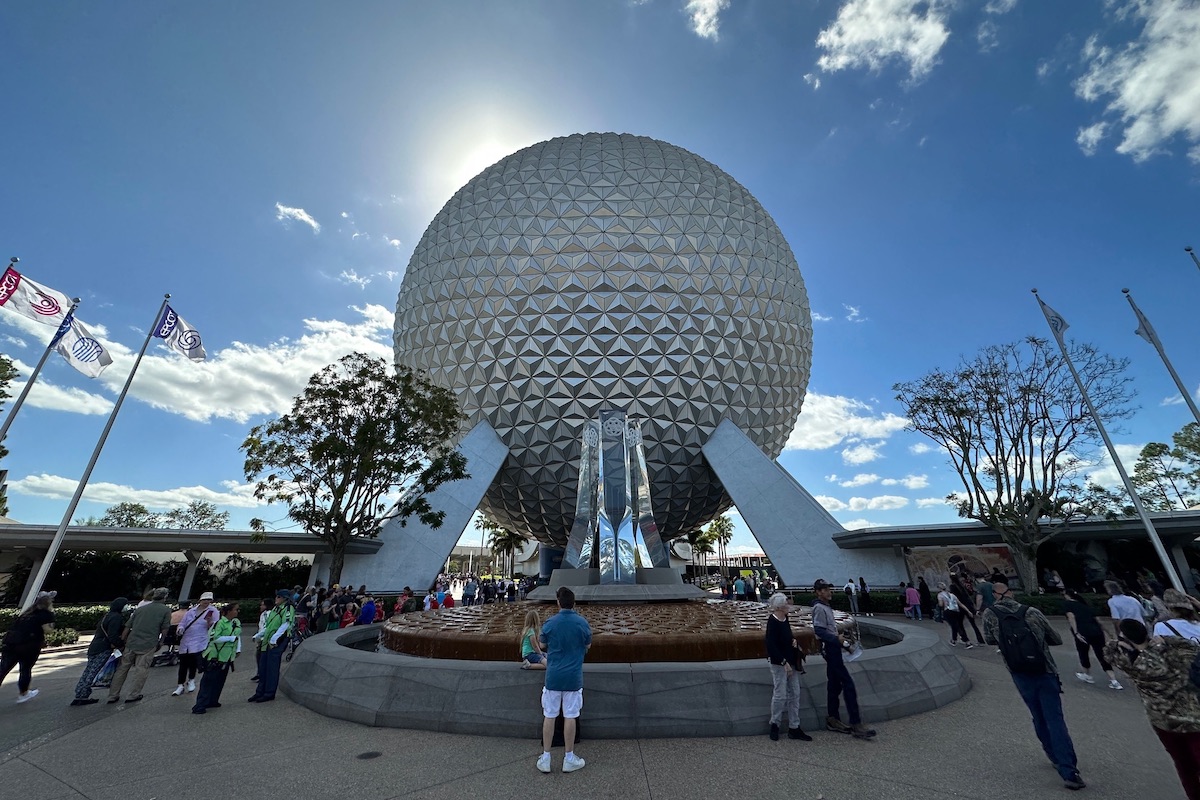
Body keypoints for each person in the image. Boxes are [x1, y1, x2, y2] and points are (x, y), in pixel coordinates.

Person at [982, 573, 1084, 791]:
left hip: (1019, 672)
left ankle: (1052, 753)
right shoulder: (1031, 611)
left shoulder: (990, 614)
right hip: (1045, 669)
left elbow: (990, 639)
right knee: (1055, 718)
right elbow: (1055, 638)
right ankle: (1069, 770)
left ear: (995, 595)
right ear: (1010, 592)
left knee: (1037, 715)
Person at [1106, 617, 1200, 798]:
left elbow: (1108, 652)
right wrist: (1165, 641)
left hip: (1163, 721)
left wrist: (1120, 644)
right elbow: (1192, 646)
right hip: (1192, 716)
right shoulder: (1173, 653)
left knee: (1184, 766)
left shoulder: (1129, 662)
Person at [536, 587, 592, 774]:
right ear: (574, 603)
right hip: (573, 677)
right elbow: (588, 644)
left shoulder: (550, 623)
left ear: (558, 602)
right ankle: (569, 758)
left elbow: (542, 644)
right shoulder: (582, 623)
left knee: (549, 715)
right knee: (570, 715)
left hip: (553, 676)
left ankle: (545, 757)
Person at [811, 579, 875, 739]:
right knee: (848, 684)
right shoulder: (819, 608)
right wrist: (836, 640)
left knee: (834, 685)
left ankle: (832, 719)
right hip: (830, 649)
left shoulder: (825, 606)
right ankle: (856, 723)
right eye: (825, 589)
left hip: (833, 648)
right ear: (818, 592)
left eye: (828, 589)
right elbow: (818, 631)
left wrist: (843, 643)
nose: (829, 592)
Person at [107, 587, 172, 704]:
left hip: (131, 643)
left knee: (122, 668)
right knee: (141, 669)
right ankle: (133, 694)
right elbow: (165, 628)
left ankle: (113, 695)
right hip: (148, 643)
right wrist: (161, 641)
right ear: (165, 597)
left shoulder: (140, 609)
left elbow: (128, 626)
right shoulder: (165, 610)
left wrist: (122, 640)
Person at [764, 593, 811, 741]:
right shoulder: (773, 621)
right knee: (780, 695)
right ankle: (774, 724)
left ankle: (794, 727)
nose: (788, 605)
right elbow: (771, 645)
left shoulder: (786, 619)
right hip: (779, 664)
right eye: (786, 603)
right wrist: (784, 663)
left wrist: (793, 642)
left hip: (791, 662)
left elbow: (787, 636)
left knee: (795, 694)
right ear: (779, 606)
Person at [1, 590, 57, 703]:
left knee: (3, 669)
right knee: (25, 669)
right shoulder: (46, 614)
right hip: (29, 645)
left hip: (10, 643)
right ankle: (23, 694)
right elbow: (48, 630)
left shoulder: (27, 613)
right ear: (48, 603)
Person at [1061, 588, 1122, 690]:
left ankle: (1087, 674)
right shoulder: (1085, 605)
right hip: (1097, 631)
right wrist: (1108, 632)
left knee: (1083, 652)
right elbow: (1098, 620)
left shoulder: (1068, 605)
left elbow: (1071, 617)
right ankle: (1113, 679)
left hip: (1083, 631)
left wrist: (1076, 632)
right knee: (1101, 654)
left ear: (1067, 596)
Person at [72, 596, 128, 706]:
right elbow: (112, 635)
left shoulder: (107, 616)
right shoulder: (116, 618)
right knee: (93, 671)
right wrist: (120, 645)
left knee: (88, 670)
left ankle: (80, 693)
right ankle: (83, 695)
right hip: (103, 647)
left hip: (95, 646)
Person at [192, 602, 241, 714]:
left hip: (227, 656)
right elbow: (214, 637)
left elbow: (237, 636)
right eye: (236, 609)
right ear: (228, 611)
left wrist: (238, 649)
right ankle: (200, 704)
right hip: (215, 656)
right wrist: (230, 638)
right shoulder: (219, 623)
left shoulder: (236, 622)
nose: (237, 612)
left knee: (220, 680)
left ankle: (213, 700)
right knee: (208, 681)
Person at [248, 589, 295, 703]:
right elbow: (268, 625)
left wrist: (275, 638)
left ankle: (269, 693)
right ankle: (260, 692)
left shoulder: (288, 608)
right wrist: (259, 634)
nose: (276, 598)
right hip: (268, 640)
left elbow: (286, 624)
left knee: (272, 668)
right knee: (263, 666)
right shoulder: (275, 608)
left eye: (279, 596)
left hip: (277, 640)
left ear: (285, 598)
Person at [173, 591, 220, 696]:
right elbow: (183, 622)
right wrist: (180, 628)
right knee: (183, 663)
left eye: (209, 600)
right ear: (200, 600)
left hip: (200, 638)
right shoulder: (191, 611)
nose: (206, 602)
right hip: (186, 638)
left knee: (193, 661)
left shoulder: (213, 611)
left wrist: (209, 622)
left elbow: (215, 627)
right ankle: (180, 685)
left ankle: (191, 680)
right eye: (205, 600)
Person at [950, 576, 985, 645]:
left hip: (960, 607)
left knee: (960, 624)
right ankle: (980, 640)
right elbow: (969, 594)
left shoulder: (952, 586)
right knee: (973, 624)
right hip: (968, 606)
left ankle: (965, 639)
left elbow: (954, 598)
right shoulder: (962, 585)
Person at [937, 582, 973, 649]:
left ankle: (967, 641)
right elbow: (960, 604)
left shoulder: (940, 595)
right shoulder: (952, 595)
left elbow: (941, 604)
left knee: (956, 626)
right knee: (955, 626)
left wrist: (942, 604)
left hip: (948, 611)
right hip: (956, 611)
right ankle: (954, 640)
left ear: (939, 588)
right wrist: (968, 611)